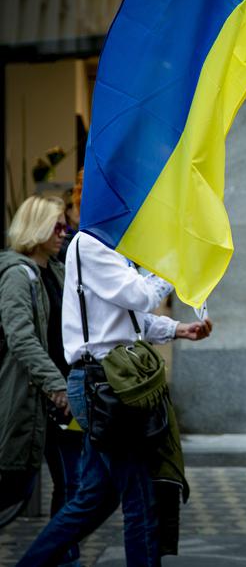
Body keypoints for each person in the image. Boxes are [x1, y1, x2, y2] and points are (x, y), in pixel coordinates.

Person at [18, 229, 212, 567]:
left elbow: (124, 319)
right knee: (141, 499)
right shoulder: (91, 244)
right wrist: (174, 262)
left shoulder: (108, 247)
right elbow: (140, 296)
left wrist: (176, 329)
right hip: (104, 387)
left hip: (107, 384)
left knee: (94, 500)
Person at [0, 197, 80, 563]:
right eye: (57, 226)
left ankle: (66, 559)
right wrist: (54, 382)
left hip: (62, 398)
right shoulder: (18, 274)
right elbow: (20, 337)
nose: (64, 233)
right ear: (36, 227)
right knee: (14, 488)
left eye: (65, 225)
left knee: (73, 485)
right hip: (35, 397)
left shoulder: (58, 271)